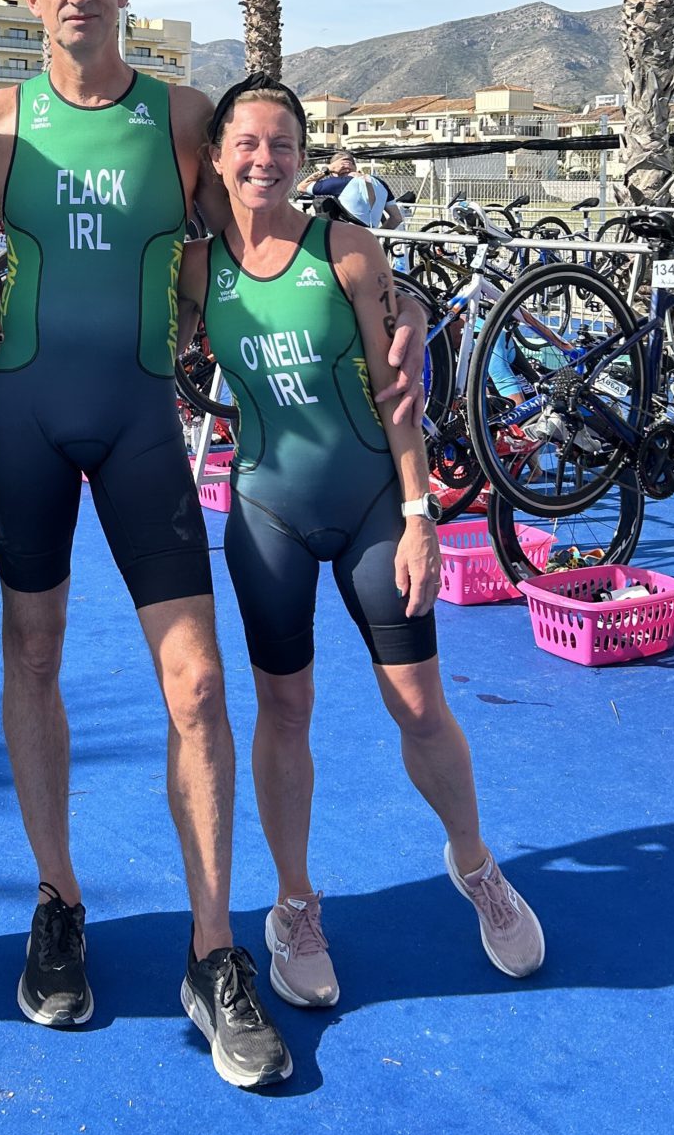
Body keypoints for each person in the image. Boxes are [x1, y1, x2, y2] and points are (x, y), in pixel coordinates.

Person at [0, 0, 427, 1091]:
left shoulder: (183, 116)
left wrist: (389, 291)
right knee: (34, 660)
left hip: (143, 423)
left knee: (200, 686)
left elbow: (271, 234)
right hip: (22, 422)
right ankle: (59, 903)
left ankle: (215, 953)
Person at [179, 76, 545, 1013]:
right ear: (217, 157)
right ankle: (294, 904)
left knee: (419, 702)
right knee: (284, 708)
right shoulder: (192, 268)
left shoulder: (344, 250)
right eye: (247, 144)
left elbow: (397, 394)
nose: (265, 160)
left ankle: (475, 865)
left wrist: (422, 516)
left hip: (378, 504)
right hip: (265, 514)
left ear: (304, 155)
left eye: (283, 144)